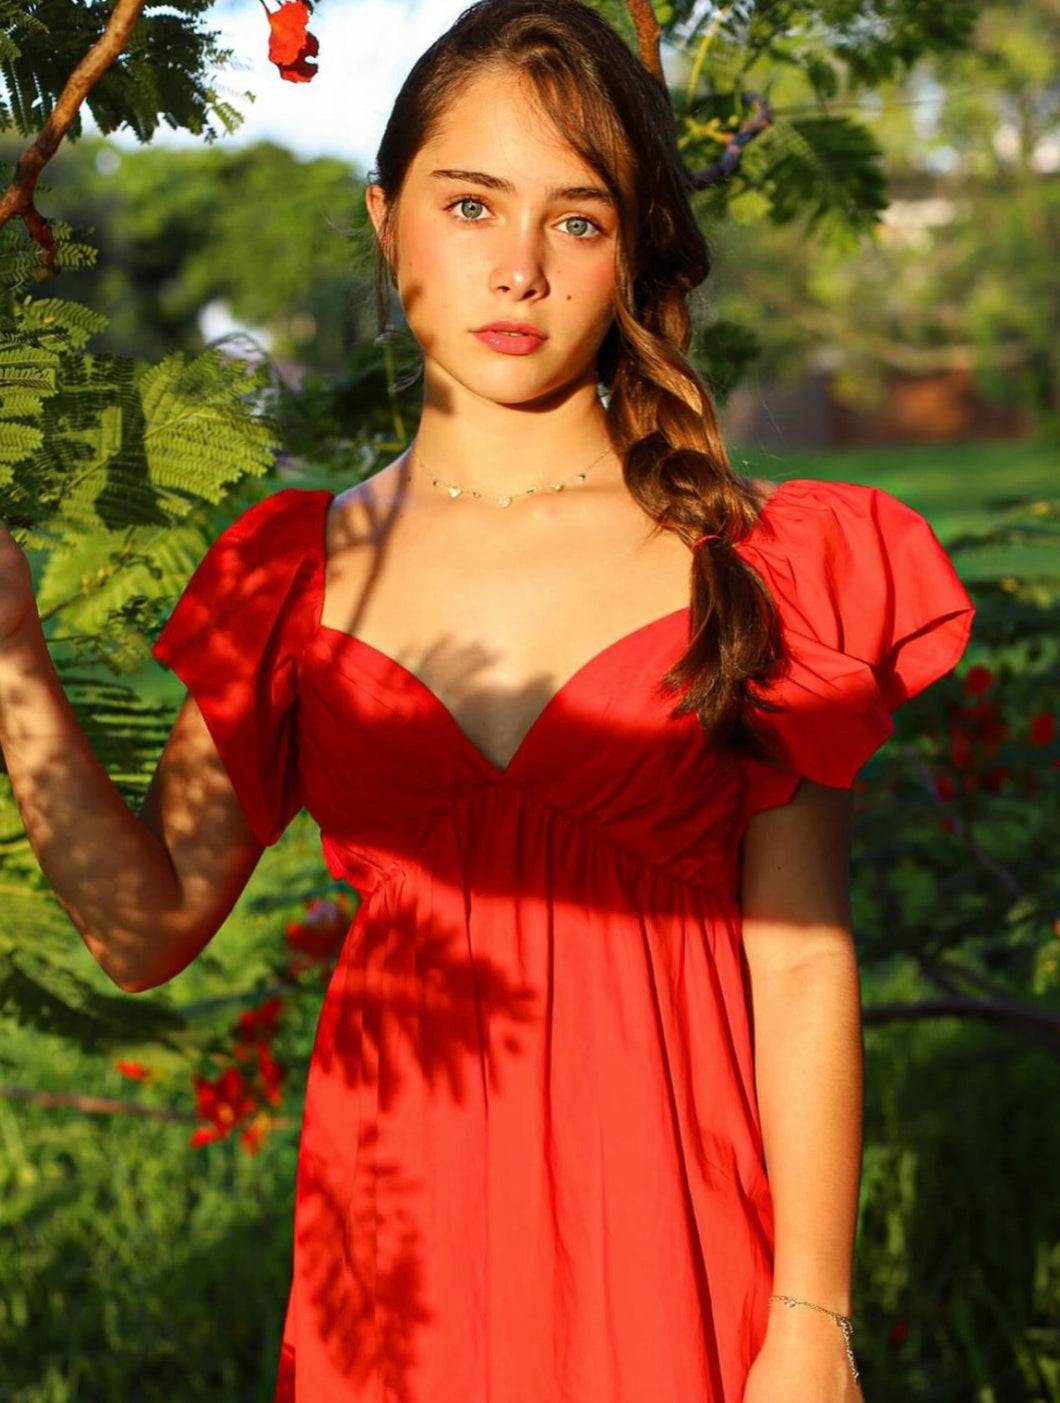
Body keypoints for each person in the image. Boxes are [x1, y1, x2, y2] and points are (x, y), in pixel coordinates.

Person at [0, 1, 975, 1399]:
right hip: (394, 1266)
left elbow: (804, 964)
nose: (518, 268)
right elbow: (146, 928)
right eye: (472, 205)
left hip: (679, 1249)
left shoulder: (754, 563)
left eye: (577, 221)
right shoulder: (296, 575)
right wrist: (14, 659)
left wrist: (810, 1324)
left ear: (633, 252)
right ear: (387, 221)